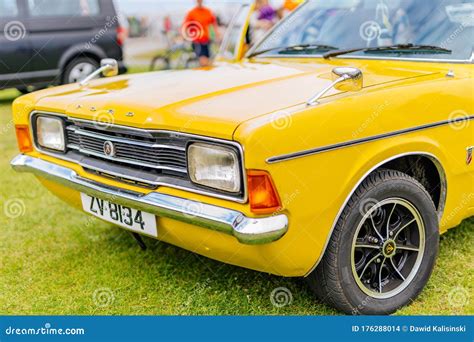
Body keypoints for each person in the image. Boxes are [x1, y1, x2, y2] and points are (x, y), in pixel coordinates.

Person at [183, 0, 220, 67]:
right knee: (203, 60)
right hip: (198, 41)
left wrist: (217, 35)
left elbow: (214, 24)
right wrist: (185, 36)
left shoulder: (208, 11)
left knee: (209, 59)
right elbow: (185, 26)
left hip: (207, 39)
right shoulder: (191, 13)